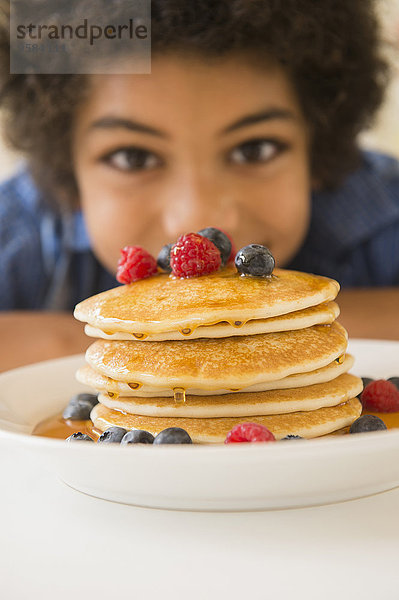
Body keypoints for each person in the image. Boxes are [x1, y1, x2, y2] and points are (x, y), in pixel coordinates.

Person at [0, 0, 398, 370]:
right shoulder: (16, 237)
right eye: (133, 158)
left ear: (319, 147)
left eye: (254, 149)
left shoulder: (383, 213)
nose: (197, 217)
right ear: (68, 170)